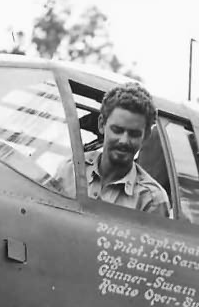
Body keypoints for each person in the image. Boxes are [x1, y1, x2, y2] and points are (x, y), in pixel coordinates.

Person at [56, 82, 170, 216]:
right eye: (117, 130)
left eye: (134, 134)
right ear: (101, 124)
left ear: (146, 136)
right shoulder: (70, 169)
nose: (124, 141)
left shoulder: (151, 200)